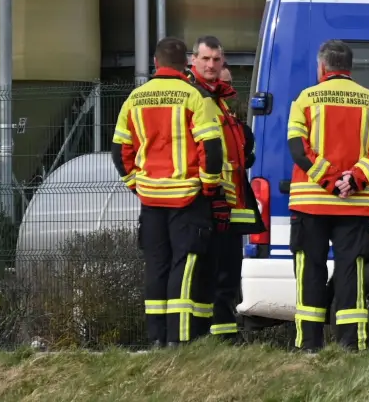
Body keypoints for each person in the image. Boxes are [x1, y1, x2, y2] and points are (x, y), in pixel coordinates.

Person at [111, 37, 225, 347]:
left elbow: (120, 150)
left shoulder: (135, 98)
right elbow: (211, 149)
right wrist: (209, 185)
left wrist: (137, 184)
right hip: (188, 199)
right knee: (183, 265)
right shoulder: (194, 97)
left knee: (156, 266)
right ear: (187, 62)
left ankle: (157, 339)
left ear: (155, 62)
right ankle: (179, 339)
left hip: (151, 199)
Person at [286, 40, 369, 351]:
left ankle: (309, 345)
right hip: (355, 204)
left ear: (322, 67)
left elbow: (298, 148)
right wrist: (355, 179)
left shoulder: (305, 99)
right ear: (349, 67)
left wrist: (331, 180)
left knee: (310, 270)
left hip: (311, 202)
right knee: (351, 271)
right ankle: (350, 344)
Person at [185, 40, 260, 342]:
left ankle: (225, 336)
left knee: (228, 271)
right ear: (194, 60)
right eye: (206, 58)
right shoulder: (195, 97)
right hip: (207, 200)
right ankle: (201, 338)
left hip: (231, 201)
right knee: (207, 274)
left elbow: (241, 143)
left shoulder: (222, 100)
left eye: (217, 59)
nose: (212, 65)